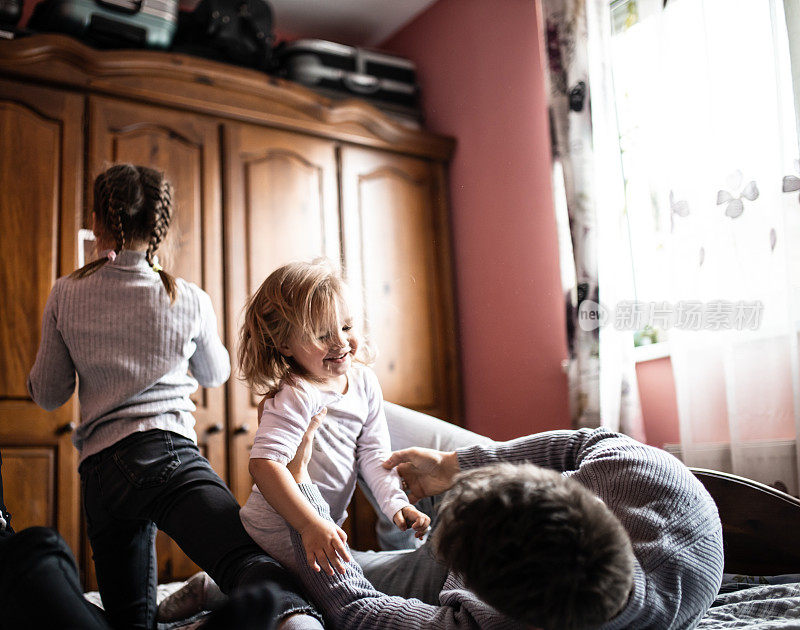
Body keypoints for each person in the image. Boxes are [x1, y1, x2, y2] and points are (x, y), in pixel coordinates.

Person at [26, 164, 321, 630]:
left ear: (100, 219)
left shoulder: (65, 293)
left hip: (102, 472)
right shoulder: (188, 297)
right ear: (160, 225)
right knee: (249, 565)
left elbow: (47, 394)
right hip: (167, 453)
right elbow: (216, 373)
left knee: (129, 619)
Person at [282, 416, 726, 630]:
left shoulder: (490, 626)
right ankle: (403, 514)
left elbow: (356, 610)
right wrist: (456, 465)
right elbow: (580, 443)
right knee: (363, 409)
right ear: (575, 493)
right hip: (493, 498)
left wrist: (303, 496)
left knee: (299, 566)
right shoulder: (643, 473)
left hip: (451, 572)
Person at [237, 261, 431, 577]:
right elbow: (264, 464)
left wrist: (397, 504)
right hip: (279, 529)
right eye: (322, 335)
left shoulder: (364, 382)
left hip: (319, 524)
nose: (340, 343)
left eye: (347, 327)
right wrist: (309, 523)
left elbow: (374, 455)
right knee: (297, 588)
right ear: (284, 344)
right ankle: (212, 586)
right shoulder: (297, 393)